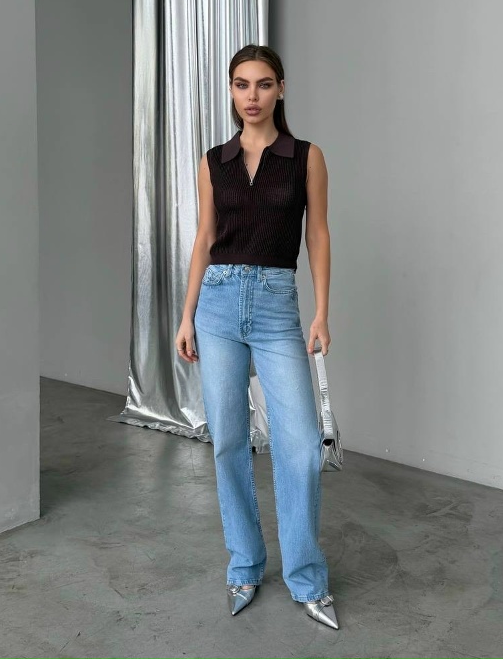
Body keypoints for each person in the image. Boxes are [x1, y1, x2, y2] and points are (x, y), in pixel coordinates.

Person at [174, 43, 339, 629]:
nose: (252, 96)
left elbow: (317, 234)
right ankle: (244, 565)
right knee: (228, 442)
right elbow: (204, 239)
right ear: (230, 90)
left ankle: (306, 578)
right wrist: (187, 315)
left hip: (275, 305)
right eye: (241, 84)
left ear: (281, 89)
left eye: (264, 84)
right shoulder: (213, 161)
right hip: (217, 304)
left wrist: (321, 312)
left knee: (300, 447)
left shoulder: (305, 157)